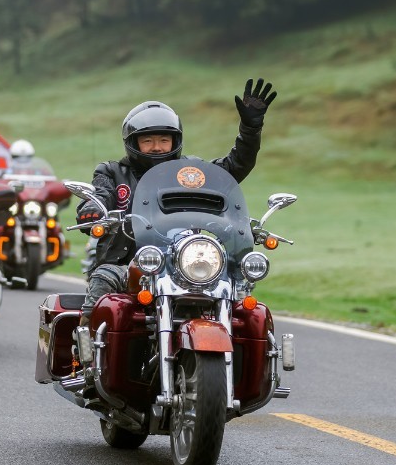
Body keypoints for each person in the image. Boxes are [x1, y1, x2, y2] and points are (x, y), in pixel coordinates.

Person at [76, 78, 277, 327]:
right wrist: (92, 209)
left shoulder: (190, 172)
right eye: (148, 141)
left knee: (237, 295)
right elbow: (101, 194)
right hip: (127, 264)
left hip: (186, 263)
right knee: (103, 279)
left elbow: (233, 168)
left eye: (163, 140)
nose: (157, 147)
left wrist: (250, 129)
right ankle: (84, 341)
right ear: (133, 143)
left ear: (175, 141)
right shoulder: (113, 172)